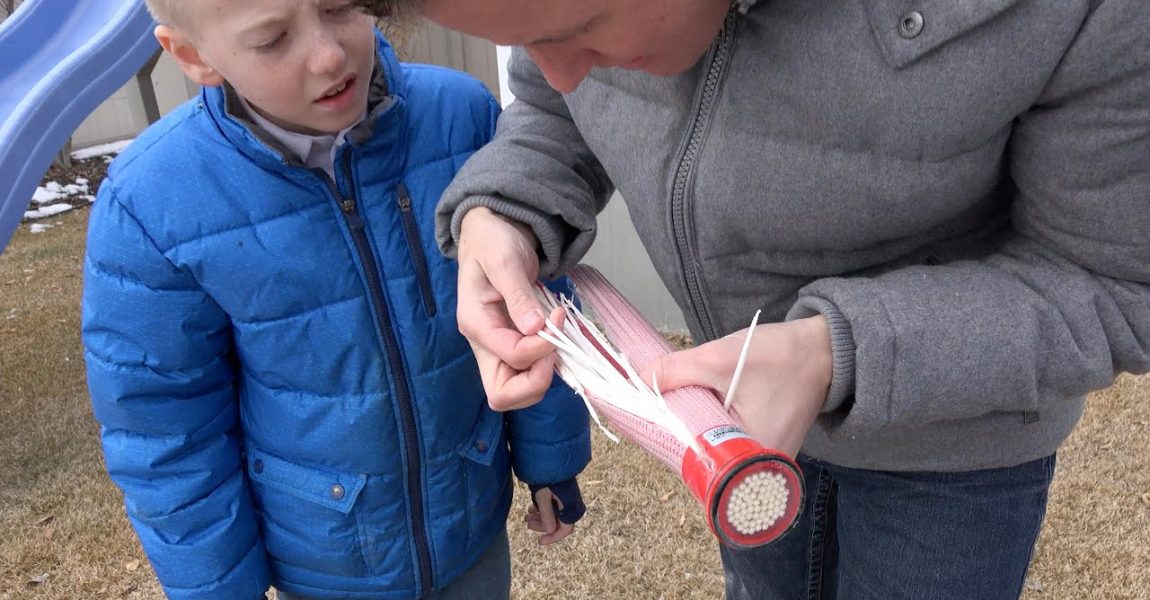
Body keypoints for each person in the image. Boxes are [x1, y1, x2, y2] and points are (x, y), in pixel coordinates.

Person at [412, 0, 1146, 598]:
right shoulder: (565, 39)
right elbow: (552, 106)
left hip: (955, 450)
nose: (560, 72)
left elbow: (1114, 286)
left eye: (576, 31)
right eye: (522, 42)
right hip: (733, 432)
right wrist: (505, 204)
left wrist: (836, 352)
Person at [81, 1, 591, 598]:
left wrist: (550, 454)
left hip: (470, 520)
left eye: (341, 5)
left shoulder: (460, 116)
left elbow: (531, 301)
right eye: (272, 39)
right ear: (194, 56)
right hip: (325, 558)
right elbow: (166, 429)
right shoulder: (152, 203)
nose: (329, 54)